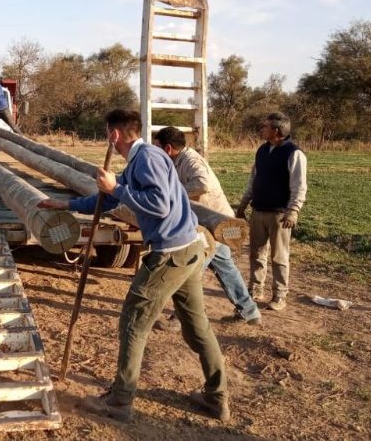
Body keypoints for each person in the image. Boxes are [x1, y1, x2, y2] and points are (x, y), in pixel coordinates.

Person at [38, 109, 229, 422]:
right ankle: (216, 397)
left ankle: (119, 402)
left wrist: (116, 188)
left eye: (105, 134)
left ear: (114, 135)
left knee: (133, 323)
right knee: (197, 328)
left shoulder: (147, 159)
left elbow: (159, 203)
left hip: (172, 254)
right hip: (190, 249)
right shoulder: (145, 158)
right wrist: (67, 204)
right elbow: (110, 201)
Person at [155, 126, 262, 325]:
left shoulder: (190, 160)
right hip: (218, 225)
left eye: (157, 148)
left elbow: (202, 184)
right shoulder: (178, 161)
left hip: (218, 226)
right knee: (225, 267)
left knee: (190, 268)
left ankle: (179, 319)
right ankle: (250, 312)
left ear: (168, 148)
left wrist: (173, 196)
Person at [236, 112, 307, 311]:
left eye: (265, 126)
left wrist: (293, 210)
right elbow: (253, 180)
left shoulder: (294, 153)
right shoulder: (261, 151)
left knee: (279, 257)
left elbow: (299, 186)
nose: (262, 129)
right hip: (258, 211)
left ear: (276, 130)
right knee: (256, 254)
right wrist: (243, 205)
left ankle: (279, 295)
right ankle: (255, 289)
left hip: (280, 215)